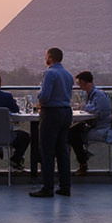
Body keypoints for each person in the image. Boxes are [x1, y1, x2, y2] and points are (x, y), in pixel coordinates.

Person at [31, 47, 74, 198]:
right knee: (62, 151)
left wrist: (39, 96)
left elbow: (45, 96)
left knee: (47, 151)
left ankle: (48, 187)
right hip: (66, 112)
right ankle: (65, 186)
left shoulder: (49, 73)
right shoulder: (68, 75)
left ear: (50, 57)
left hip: (51, 113)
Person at [68, 71, 112, 175]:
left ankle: (82, 161)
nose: (79, 87)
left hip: (100, 126)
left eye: (79, 84)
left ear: (84, 82)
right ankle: (83, 159)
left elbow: (94, 110)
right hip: (93, 124)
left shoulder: (99, 95)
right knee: (71, 132)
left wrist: (84, 107)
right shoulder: (91, 95)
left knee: (71, 133)